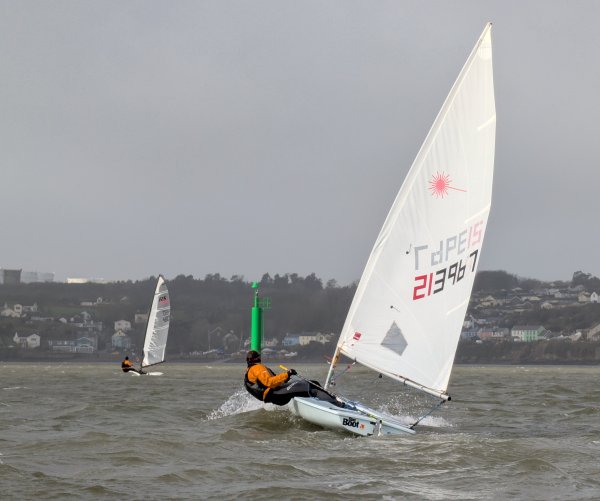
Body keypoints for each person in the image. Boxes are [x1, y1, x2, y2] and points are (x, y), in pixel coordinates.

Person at [243, 350, 343, 407]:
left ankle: (324, 402)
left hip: (274, 394)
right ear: (258, 358)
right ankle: (336, 404)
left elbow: (269, 382)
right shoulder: (257, 368)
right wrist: (287, 374)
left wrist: (286, 378)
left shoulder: (249, 371)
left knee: (312, 383)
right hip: (275, 394)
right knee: (311, 387)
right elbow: (269, 382)